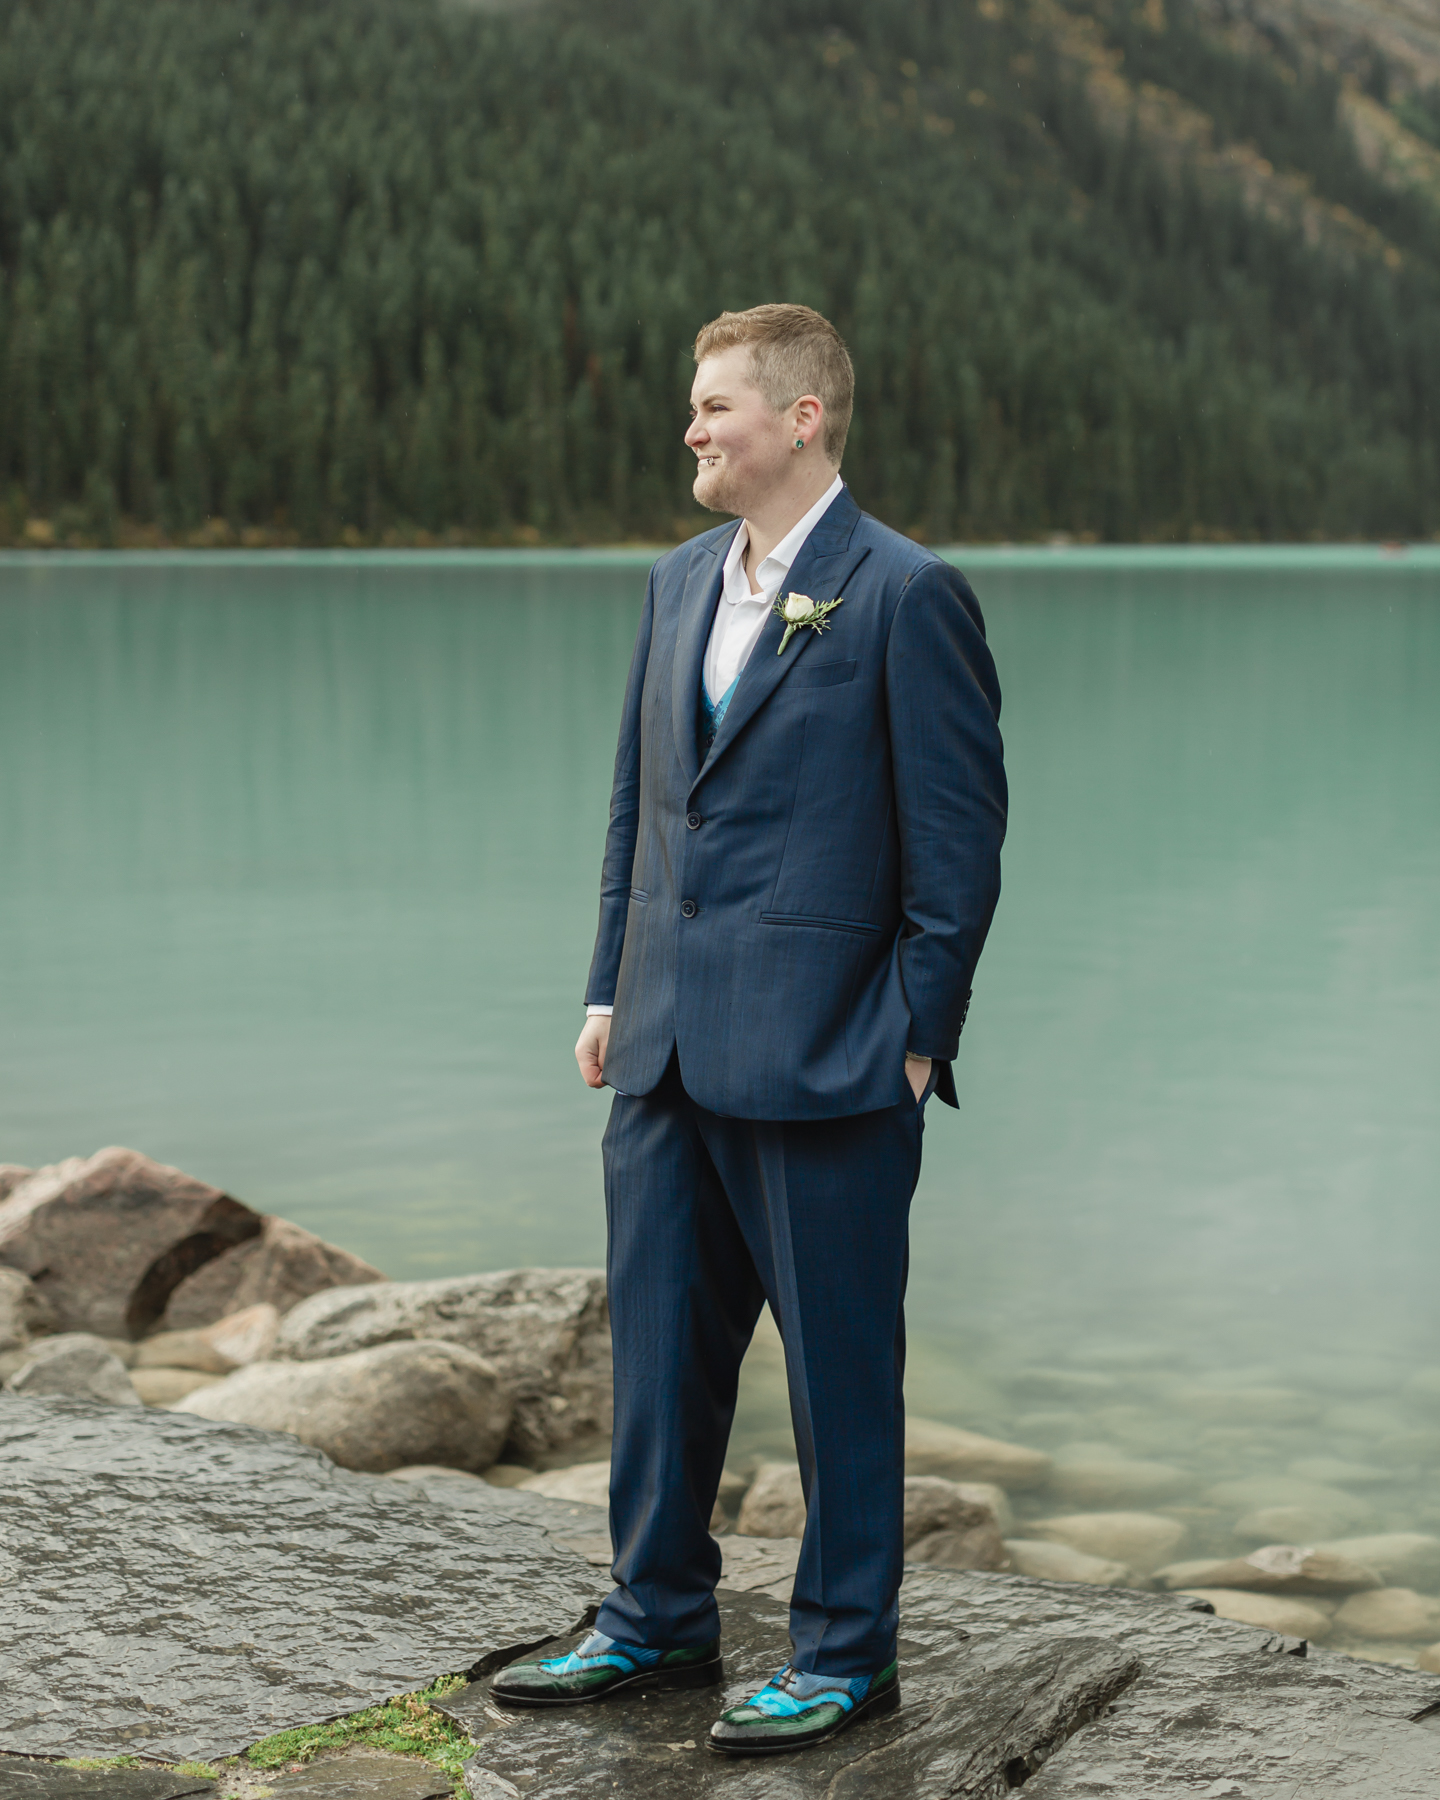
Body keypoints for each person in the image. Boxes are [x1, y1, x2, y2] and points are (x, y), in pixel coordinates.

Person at [491, 303, 1007, 1756]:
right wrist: (608, 986)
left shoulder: (907, 594)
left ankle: (848, 1657)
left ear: (804, 419)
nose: (691, 429)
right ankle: (654, 1622)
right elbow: (637, 807)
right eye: (693, 406)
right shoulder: (672, 586)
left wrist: (914, 1044)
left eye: (716, 405)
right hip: (659, 1047)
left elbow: (958, 849)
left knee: (841, 1373)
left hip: (830, 1058)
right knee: (656, 1355)